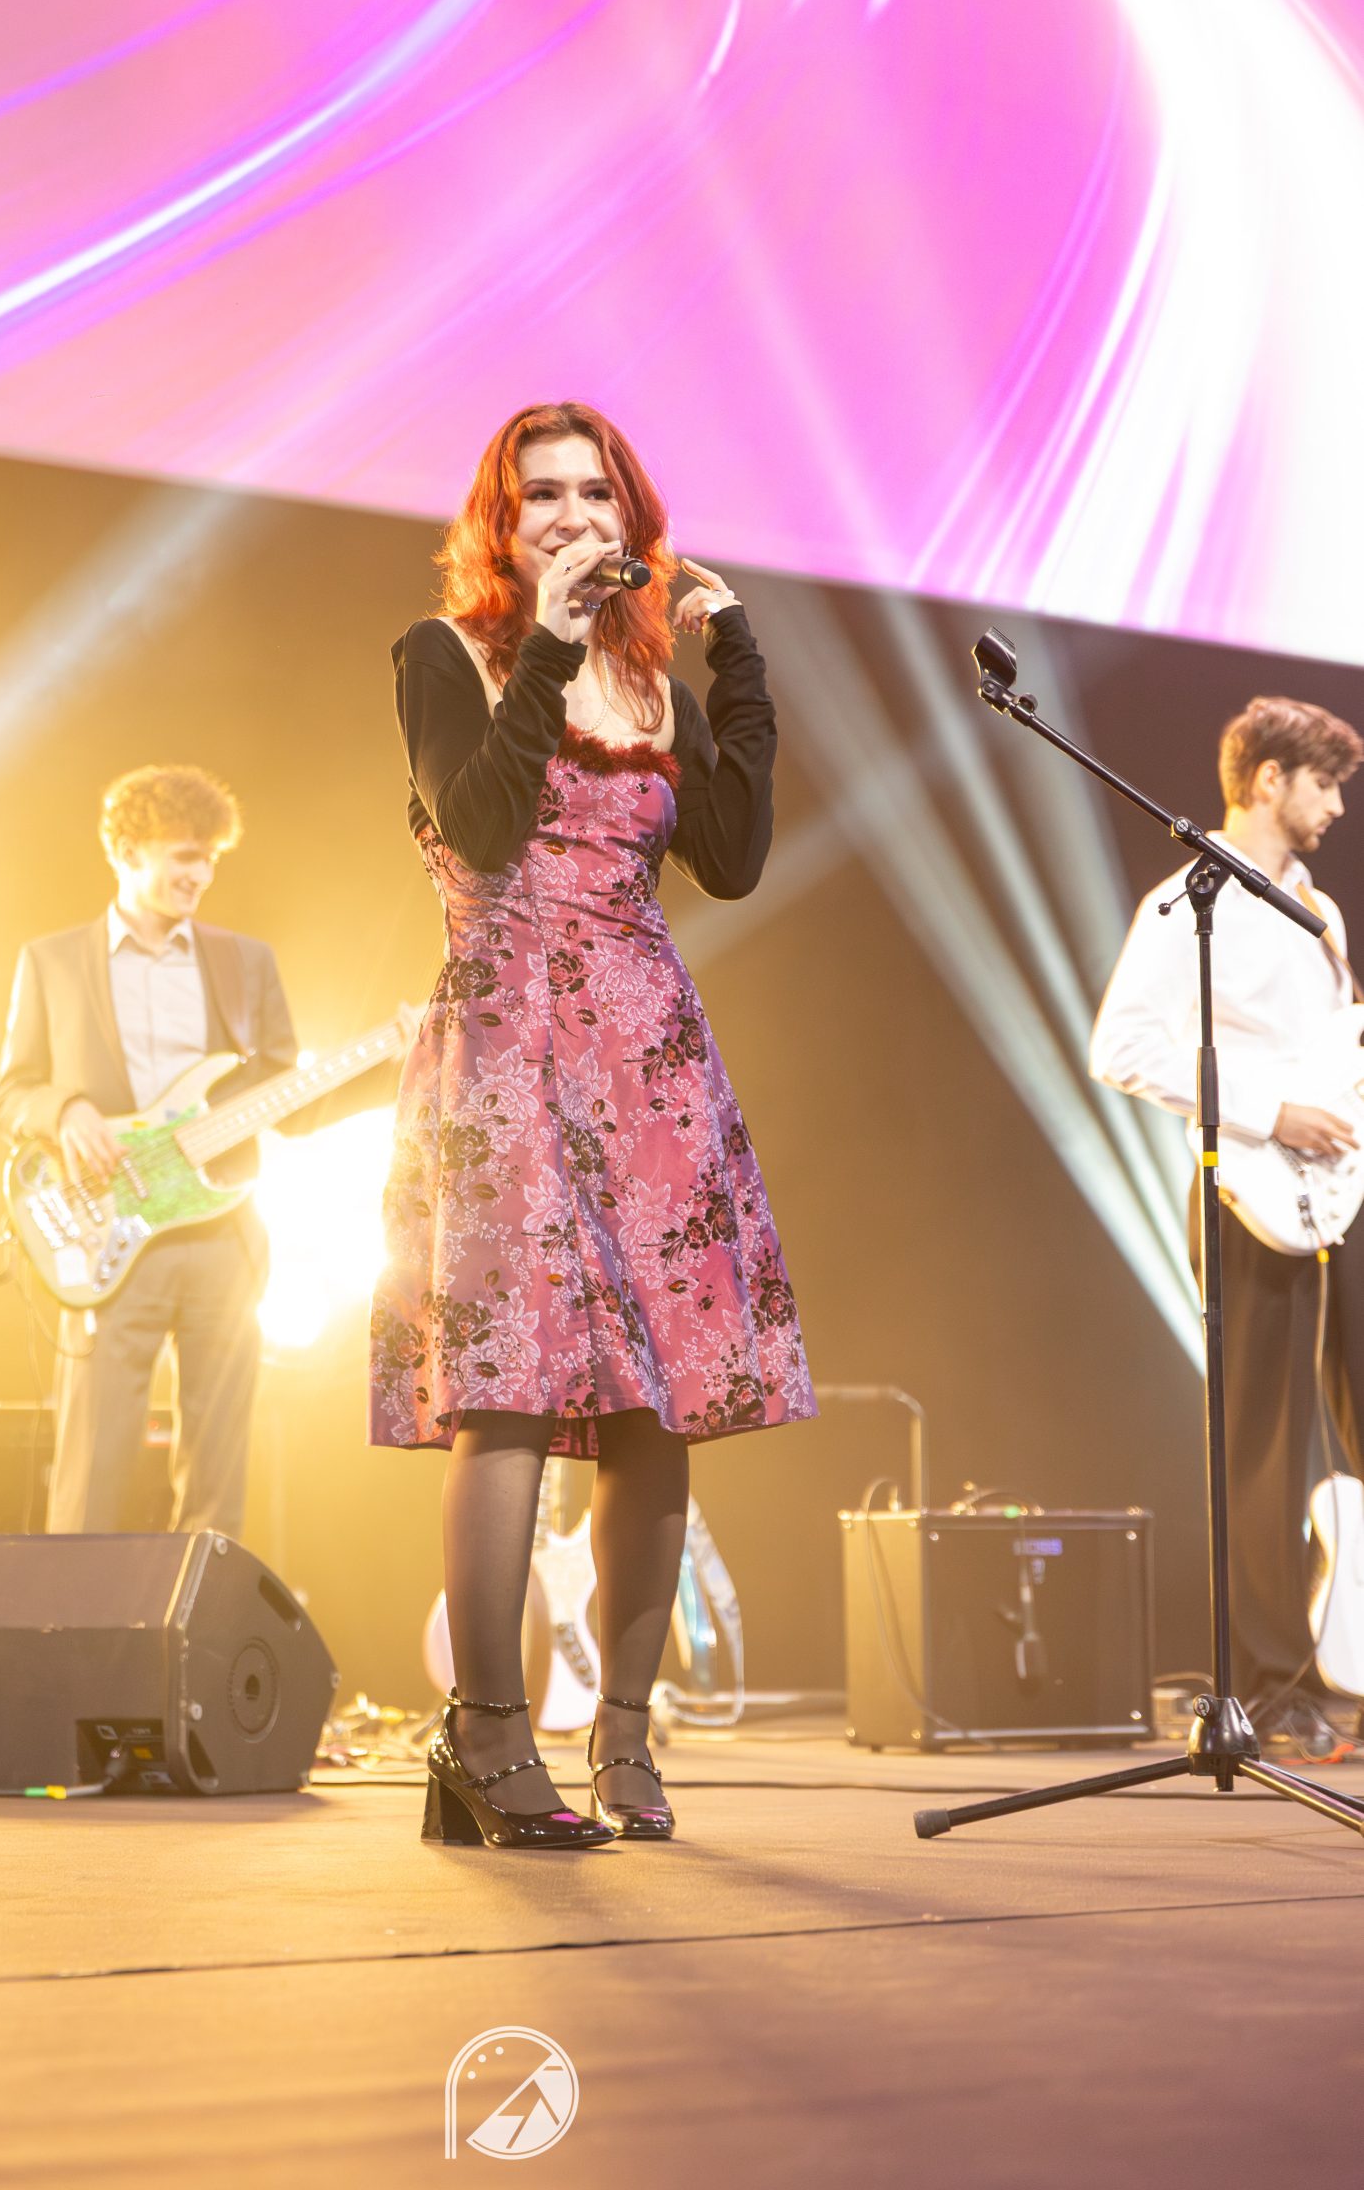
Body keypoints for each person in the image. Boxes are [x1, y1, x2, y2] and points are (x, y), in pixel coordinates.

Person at [370, 401, 815, 1849]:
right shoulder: (445, 656)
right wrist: (551, 648)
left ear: (631, 521)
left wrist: (732, 664)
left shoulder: (650, 686)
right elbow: (483, 825)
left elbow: (732, 859)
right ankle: (488, 1735)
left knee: (650, 1403)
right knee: (504, 1391)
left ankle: (625, 1734)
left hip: (648, 1058)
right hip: (508, 1052)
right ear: (501, 525)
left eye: (594, 494)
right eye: (542, 495)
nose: (570, 516)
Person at [1091, 694, 1364, 1759]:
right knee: (1263, 1446)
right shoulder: (1185, 902)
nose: (1335, 805)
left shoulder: (1319, 910)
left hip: (1342, 1190)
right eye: (1323, 783)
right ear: (1267, 779)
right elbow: (1123, 1046)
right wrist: (1267, 1112)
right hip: (1251, 1190)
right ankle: (1270, 1683)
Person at [0, 763, 298, 1542]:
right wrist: (65, 1109)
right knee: (90, 1477)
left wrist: (401, 1058)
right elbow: (10, 1096)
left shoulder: (246, 961)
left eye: (210, 859)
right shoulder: (51, 961)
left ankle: (199, 1619)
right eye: (184, 856)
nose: (201, 875)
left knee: (217, 1488)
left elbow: (289, 1097)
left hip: (222, 1236)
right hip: (109, 1238)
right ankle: (72, 1616)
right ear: (128, 852)